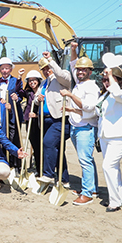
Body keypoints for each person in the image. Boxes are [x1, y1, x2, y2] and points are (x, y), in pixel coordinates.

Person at [61, 46, 101, 206]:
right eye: (79, 70)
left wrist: (71, 95)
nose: (79, 72)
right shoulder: (79, 83)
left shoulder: (91, 87)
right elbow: (72, 63)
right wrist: (73, 49)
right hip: (77, 127)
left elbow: (89, 107)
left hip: (86, 128)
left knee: (85, 160)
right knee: (87, 160)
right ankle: (92, 189)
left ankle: (87, 194)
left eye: (84, 70)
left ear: (90, 72)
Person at [96, 66, 122, 212]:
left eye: (110, 78)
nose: (106, 82)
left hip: (120, 135)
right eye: (104, 79)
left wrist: (111, 76)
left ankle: (115, 201)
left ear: (118, 80)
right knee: (114, 168)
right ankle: (119, 197)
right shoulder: (104, 96)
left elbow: (116, 92)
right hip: (106, 135)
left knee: (108, 166)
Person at [34, 52, 72, 187]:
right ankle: (64, 179)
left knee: (49, 143)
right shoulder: (44, 83)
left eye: (47, 68)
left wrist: (50, 60)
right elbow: (36, 97)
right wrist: (37, 99)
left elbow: (61, 74)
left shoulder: (62, 78)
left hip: (60, 119)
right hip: (46, 121)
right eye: (43, 69)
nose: (46, 71)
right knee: (57, 149)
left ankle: (48, 174)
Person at [17, 69, 44, 174]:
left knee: (41, 146)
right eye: (30, 80)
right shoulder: (28, 93)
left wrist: (37, 115)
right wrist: (19, 77)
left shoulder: (43, 91)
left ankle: (42, 168)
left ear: (38, 80)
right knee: (34, 145)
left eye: (34, 80)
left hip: (40, 121)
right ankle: (37, 169)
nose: (32, 82)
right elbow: (18, 90)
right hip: (30, 122)